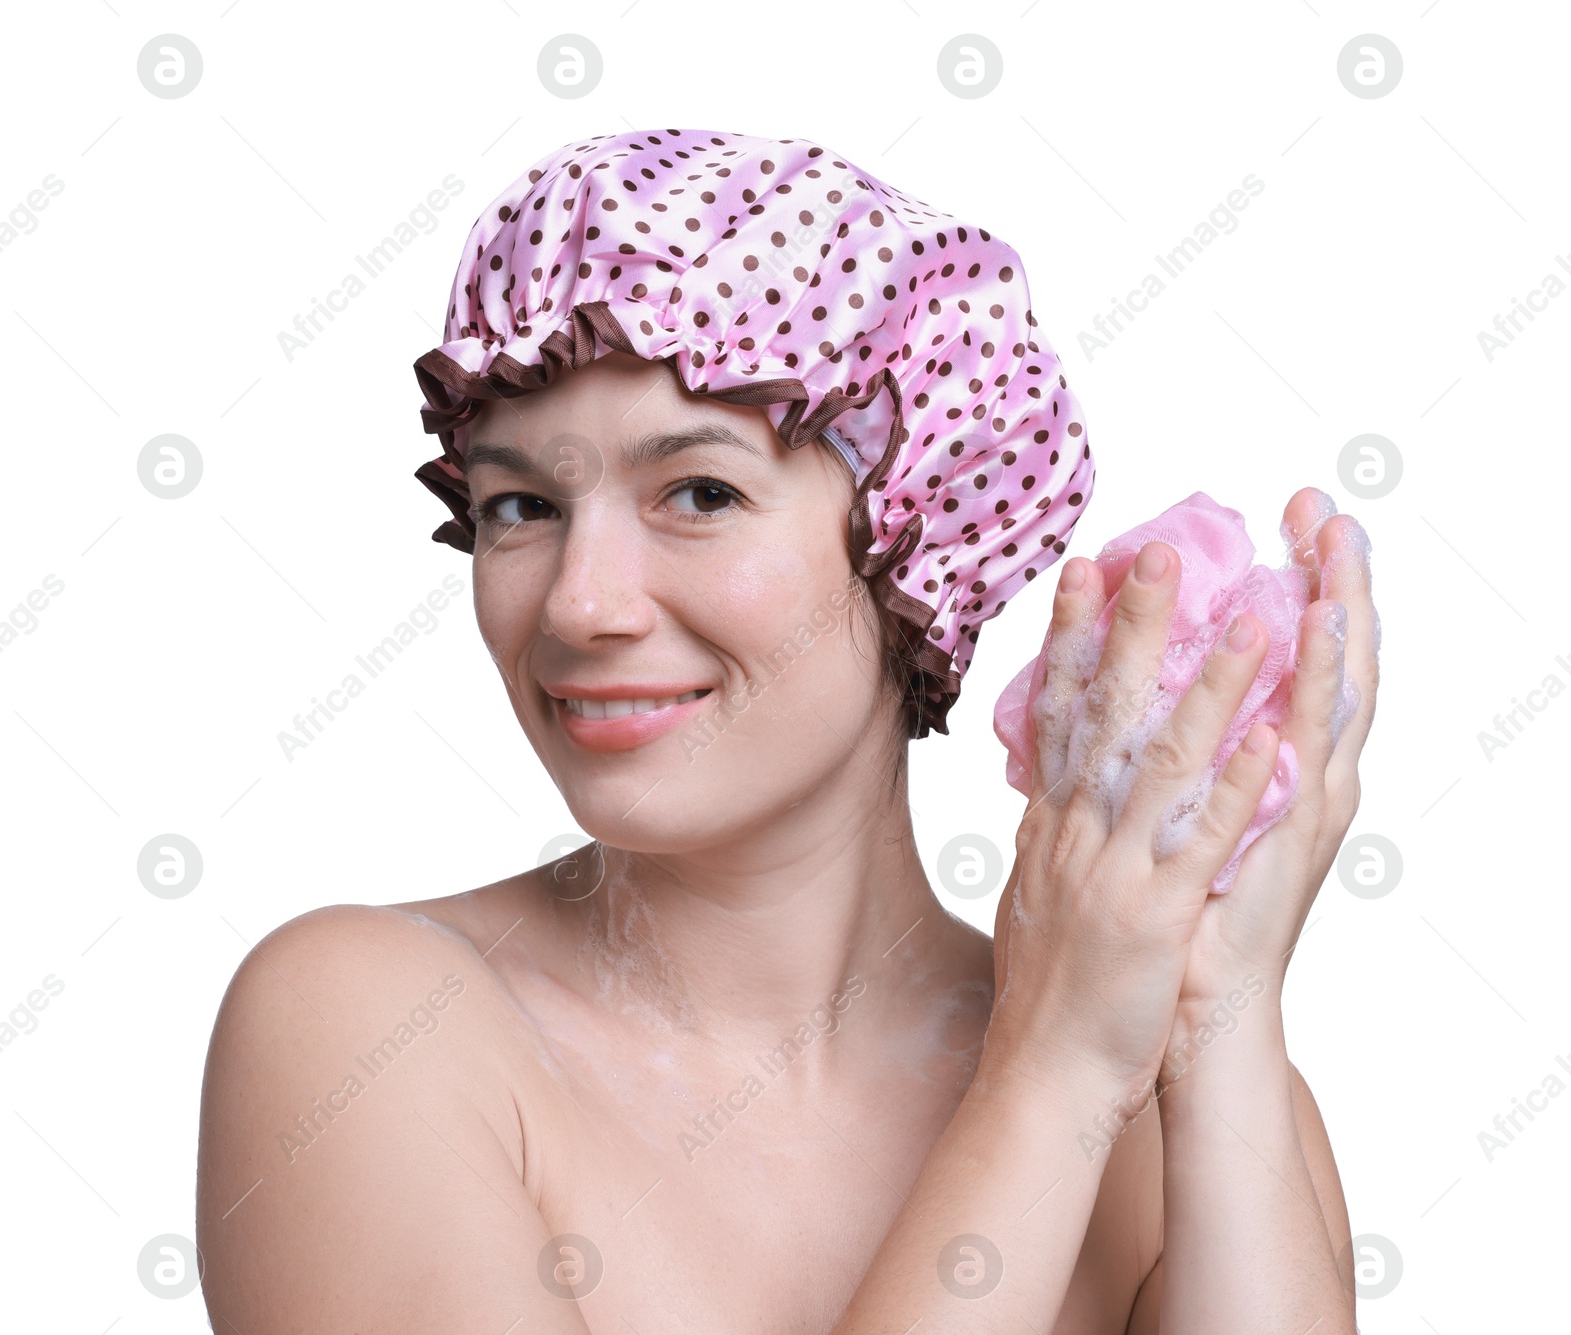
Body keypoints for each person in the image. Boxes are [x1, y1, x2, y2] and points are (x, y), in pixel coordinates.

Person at [196, 128, 1376, 1333]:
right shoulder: (371, 1035)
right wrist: (1051, 1073)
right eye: (521, 506)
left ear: (912, 547)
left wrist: (1215, 1014)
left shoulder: (1184, 1116)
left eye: (700, 493)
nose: (578, 603)